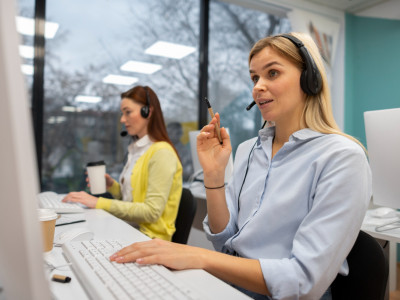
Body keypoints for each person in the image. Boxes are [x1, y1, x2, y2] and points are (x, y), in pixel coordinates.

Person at [108, 33, 372, 300]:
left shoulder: (341, 157)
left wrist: (197, 256)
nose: (258, 86)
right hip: (230, 285)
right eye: (255, 78)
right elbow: (225, 240)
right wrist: (214, 175)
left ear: (310, 79)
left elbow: (301, 282)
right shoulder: (249, 150)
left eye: (272, 73)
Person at [63, 85, 183, 241]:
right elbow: (131, 201)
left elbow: (151, 212)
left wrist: (98, 202)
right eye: (122, 113)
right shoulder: (137, 150)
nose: (122, 119)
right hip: (130, 229)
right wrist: (112, 186)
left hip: (149, 238)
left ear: (148, 112)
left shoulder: (161, 152)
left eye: (128, 112)